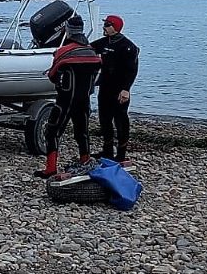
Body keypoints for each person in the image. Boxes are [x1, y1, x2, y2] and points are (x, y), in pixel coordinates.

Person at [34, 15, 102, 179]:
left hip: (66, 99)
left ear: (68, 31)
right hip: (84, 99)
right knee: (82, 131)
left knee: (52, 131)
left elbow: (52, 75)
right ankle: (85, 161)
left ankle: (50, 168)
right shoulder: (92, 52)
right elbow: (96, 77)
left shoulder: (64, 51)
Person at [90, 14, 139, 162]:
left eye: (107, 25)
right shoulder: (105, 42)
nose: (104, 27)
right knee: (104, 120)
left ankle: (121, 154)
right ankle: (107, 151)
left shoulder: (128, 46)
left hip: (120, 90)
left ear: (115, 28)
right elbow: (88, 47)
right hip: (105, 87)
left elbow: (132, 70)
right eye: (104, 24)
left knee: (120, 120)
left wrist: (126, 89)